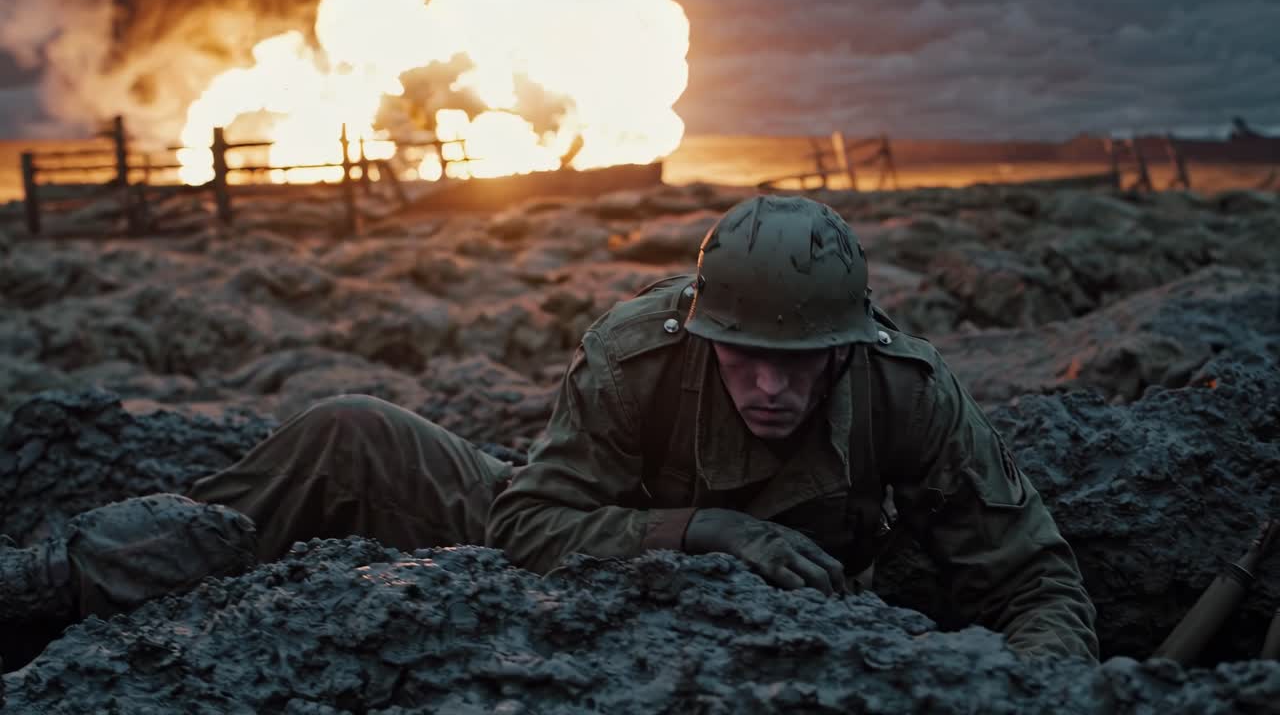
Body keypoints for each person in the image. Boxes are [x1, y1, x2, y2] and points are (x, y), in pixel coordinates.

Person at [2, 194, 1098, 662]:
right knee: (346, 429)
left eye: (797, 362)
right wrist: (701, 536)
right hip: (573, 558)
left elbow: (1035, 584)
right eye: (742, 356)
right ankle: (60, 585)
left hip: (781, 640)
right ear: (701, 332)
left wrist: (1029, 684)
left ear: (846, 349)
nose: (768, 385)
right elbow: (528, 521)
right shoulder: (638, 355)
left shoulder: (907, 391)